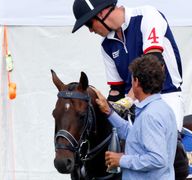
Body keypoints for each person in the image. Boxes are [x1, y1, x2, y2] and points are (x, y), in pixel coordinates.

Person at [72, 0, 184, 132]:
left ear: (101, 13)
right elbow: (116, 90)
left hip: (166, 97)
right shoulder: (106, 45)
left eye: (88, 24)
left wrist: (128, 100)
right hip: (132, 107)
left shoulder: (148, 15)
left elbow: (153, 67)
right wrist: (104, 106)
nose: (90, 30)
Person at [93, 55, 177, 179]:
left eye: (132, 80)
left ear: (136, 81)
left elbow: (158, 159)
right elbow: (134, 136)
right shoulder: (163, 109)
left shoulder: (149, 116)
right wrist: (109, 111)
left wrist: (122, 160)